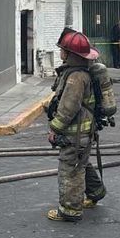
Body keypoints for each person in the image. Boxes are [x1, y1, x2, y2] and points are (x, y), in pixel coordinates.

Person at [46, 28, 107, 222]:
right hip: (84, 132)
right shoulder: (79, 72)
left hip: (75, 132)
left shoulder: (76, 77)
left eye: (63, 49)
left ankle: (70, 210)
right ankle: (96, 192)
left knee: (70, 167)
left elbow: (68, 108)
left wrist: (54, 129)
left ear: (70, 54)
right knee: (81, 161)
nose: (60, 52)